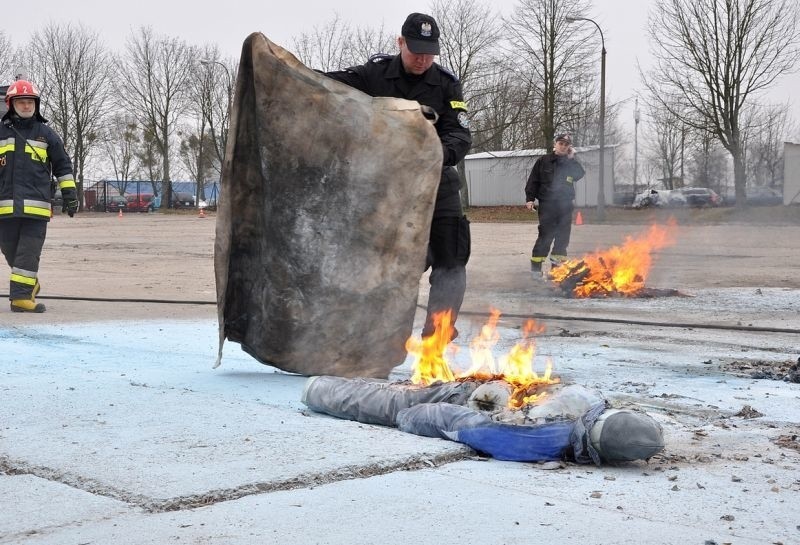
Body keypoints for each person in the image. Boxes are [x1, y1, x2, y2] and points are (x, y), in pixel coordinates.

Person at [325, 12, 472, 340]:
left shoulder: (447, 84)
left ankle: (437, 338)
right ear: (400, 42)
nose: (422, 59)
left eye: (429, 52)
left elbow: (459, 134)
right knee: (385, 266)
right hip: (388, 189)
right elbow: (325, 86)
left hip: (437, 184)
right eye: (415, 50)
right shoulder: (373, 76)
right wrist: (283, 70)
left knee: (451, 260)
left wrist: (435, 156)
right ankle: (377, 340)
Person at [0, 79, 78, 313]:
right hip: (5, 208)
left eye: (30, 102)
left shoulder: (47, 134)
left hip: (37, 209)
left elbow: (63, 166)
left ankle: (20, 298)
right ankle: (30, 285)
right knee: (11, 250)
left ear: (37, 105)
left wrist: (70, 195)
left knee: (28, 252)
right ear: (11, 104)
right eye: (21, 102)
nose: (26, 106)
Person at [524, 133, 585, 277]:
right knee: (545, 236)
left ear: (569, 147)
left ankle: (556, 273)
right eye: (561, 143)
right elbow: (533, 180)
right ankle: (536, 272)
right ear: (555, 144)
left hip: (565, 206)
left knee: (563, 238)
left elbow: (580, 174)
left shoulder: (570, 163)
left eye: (566, 144)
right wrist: (530, 199)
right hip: (547, 205)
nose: (563, 146)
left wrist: (571, 159)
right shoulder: (543, 161)